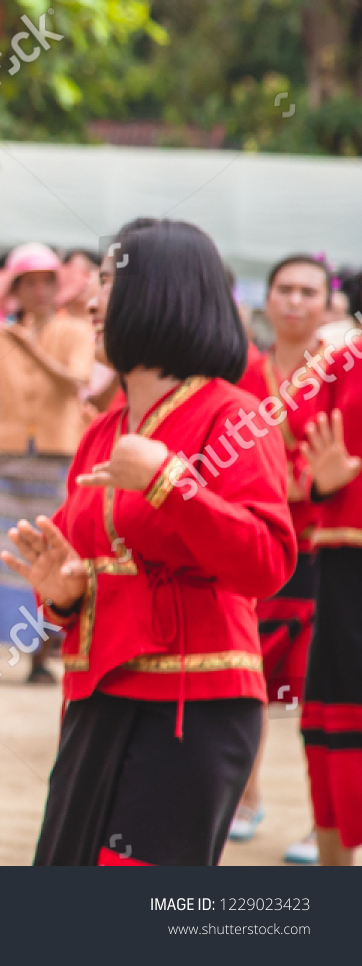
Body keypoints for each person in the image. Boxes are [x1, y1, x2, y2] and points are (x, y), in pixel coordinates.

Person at [7, 218, 295, 866]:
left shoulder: (233, 415)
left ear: (163, 293)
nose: (89, 300)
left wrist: (172, 485)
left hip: (194, 700)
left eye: (106, 280)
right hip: (98, 694)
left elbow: (269, 562)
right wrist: (64, 594)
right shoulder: (103, 430)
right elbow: (89, 556)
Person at [228, 255, 331, 854]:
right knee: (250, 679)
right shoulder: (243, 371)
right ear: (266, 300)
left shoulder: (343, 369)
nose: (295, 300)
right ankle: (247, 795)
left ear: (326, 301)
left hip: (323, 546)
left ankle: (328, 820)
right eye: (284, 290)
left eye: (307, 291)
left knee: (324, 689)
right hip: (258, 543)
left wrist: (312, 480)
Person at [0, 244, 94, 684]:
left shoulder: (75, 331)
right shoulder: (0, 335)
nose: (40, 290)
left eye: (47, 281)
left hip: (57, 453)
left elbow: (77, 379)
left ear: (58, 287)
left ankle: (39, 660)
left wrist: (29, 346)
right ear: (17, 289)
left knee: (46, 551)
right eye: (30, 282)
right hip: (6, 452)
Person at [296, 290, 362, 867]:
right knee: (333, 715)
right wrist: (322, 481)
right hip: (345, 563)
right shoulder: (343, 356)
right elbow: (299, 455)